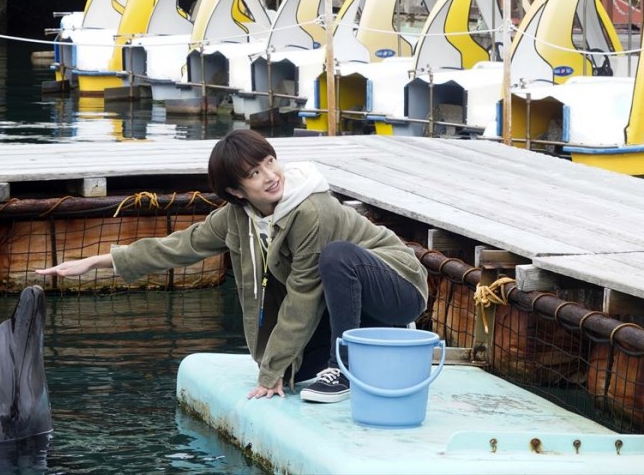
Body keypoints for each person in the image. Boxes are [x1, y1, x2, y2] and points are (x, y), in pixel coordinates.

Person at [35, 129, 429, 401]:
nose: (270, 176)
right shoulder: (238, 217)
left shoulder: (312, 208)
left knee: (336, 256)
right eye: (254, 174)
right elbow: (181, 246)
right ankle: (373, 338)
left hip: (398, 285)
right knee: (299, 377)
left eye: (269, 162)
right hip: (349, 299)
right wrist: (99, 261)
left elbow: (304, 295)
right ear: (236, 191)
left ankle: (345, 366)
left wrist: (269, 370)